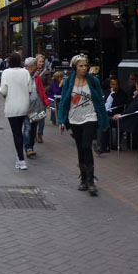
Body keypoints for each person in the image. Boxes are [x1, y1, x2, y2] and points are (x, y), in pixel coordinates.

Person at [58, 54, 109, 196]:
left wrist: (103, 121)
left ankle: (91, 180)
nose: (84, 68)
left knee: (87, 146)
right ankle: (83, 179)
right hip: (74, 118)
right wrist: (61, 120)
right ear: (75, 67)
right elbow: (63, 101)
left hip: (89, 117)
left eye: (86, 65)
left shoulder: (93, 81)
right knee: (80, 148)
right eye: (81, 66)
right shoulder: (69, 81)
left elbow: (99, 102)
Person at [0, 52, 33, 170]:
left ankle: (21, 159)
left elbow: (3, 90)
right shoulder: (25, 72)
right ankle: (22, 157)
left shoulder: (6, 73)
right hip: (24, 106)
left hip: (12, 107)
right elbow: (30, 89)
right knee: (22, 130)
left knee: (16, 133)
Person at [22, 57, 50, 158]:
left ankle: (31, 146)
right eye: (34, 65)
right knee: (27, 127)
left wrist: (46, 102)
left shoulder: (37, 77)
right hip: (25, 105)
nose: (36, 66)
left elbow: (41, 90)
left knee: (33, 127)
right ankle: (28, 148)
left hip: (36, 106)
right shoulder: (23, 76)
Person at [112, 75, 138, 149]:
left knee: (107, 121)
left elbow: (132, 109)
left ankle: (110, 145)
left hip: (131, 118)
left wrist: (121, 115)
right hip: (130, 115)